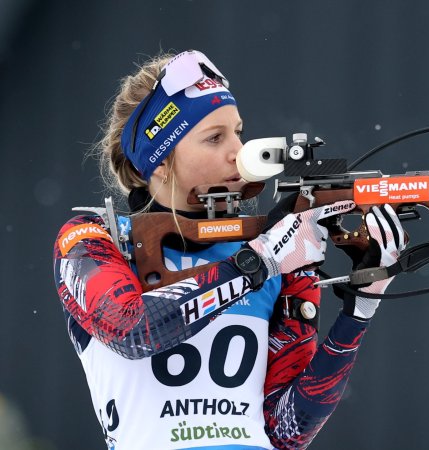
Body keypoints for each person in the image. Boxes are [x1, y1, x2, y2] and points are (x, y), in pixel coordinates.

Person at [52, 50, 406, 449]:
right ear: (159, 161)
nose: (238, 150)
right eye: (214, 137)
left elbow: (285, 431)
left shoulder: (272, 251)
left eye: (238, 132)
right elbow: (132, 330)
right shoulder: (93, 240)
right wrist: (258, 263)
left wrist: (360, 307)